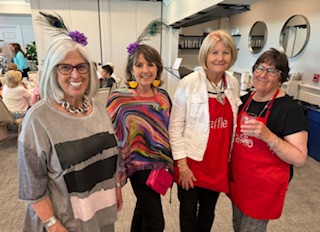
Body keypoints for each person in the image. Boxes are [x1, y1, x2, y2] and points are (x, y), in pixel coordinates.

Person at [18, 12, 122, 232]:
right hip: (65, 223)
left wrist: (116, 188)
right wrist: (52, 224)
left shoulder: (99, 109)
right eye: (65, 67)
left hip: (100, 213)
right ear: (53, 72)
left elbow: (110, 156)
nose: (76, 74)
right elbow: (32, 184)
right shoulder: (38, 119)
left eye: (81, 66)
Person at [168, 29, 241, 232]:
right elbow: (175, 128)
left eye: (225, 52)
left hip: (218, 164)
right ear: (205, 55)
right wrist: (182, 166)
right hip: (192, 163)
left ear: (232, 55)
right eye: (214, 52)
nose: (220, 58)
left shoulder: (233, 83)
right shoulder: (188, 84)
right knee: (189, 214)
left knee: (208, 213)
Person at [229, 48, 308, 232]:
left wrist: (268, 136)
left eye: (271, 71)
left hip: (263, 187)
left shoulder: (289, 109)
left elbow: (299, 158)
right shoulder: (244, 100)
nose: (263, 74)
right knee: (238, 226)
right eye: (260, 68)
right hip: (240, 181)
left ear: (281, 77)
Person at [107, 43, 174, 232]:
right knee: (155, 223)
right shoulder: (120, 98)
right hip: (137, 166)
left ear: (158, 69)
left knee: (143, 211)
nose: (145, 70)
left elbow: (169, 129)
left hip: (161, 166)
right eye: (139, 65)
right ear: (131, 69)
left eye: (151, 64)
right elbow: (107, 131)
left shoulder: (163, 97)